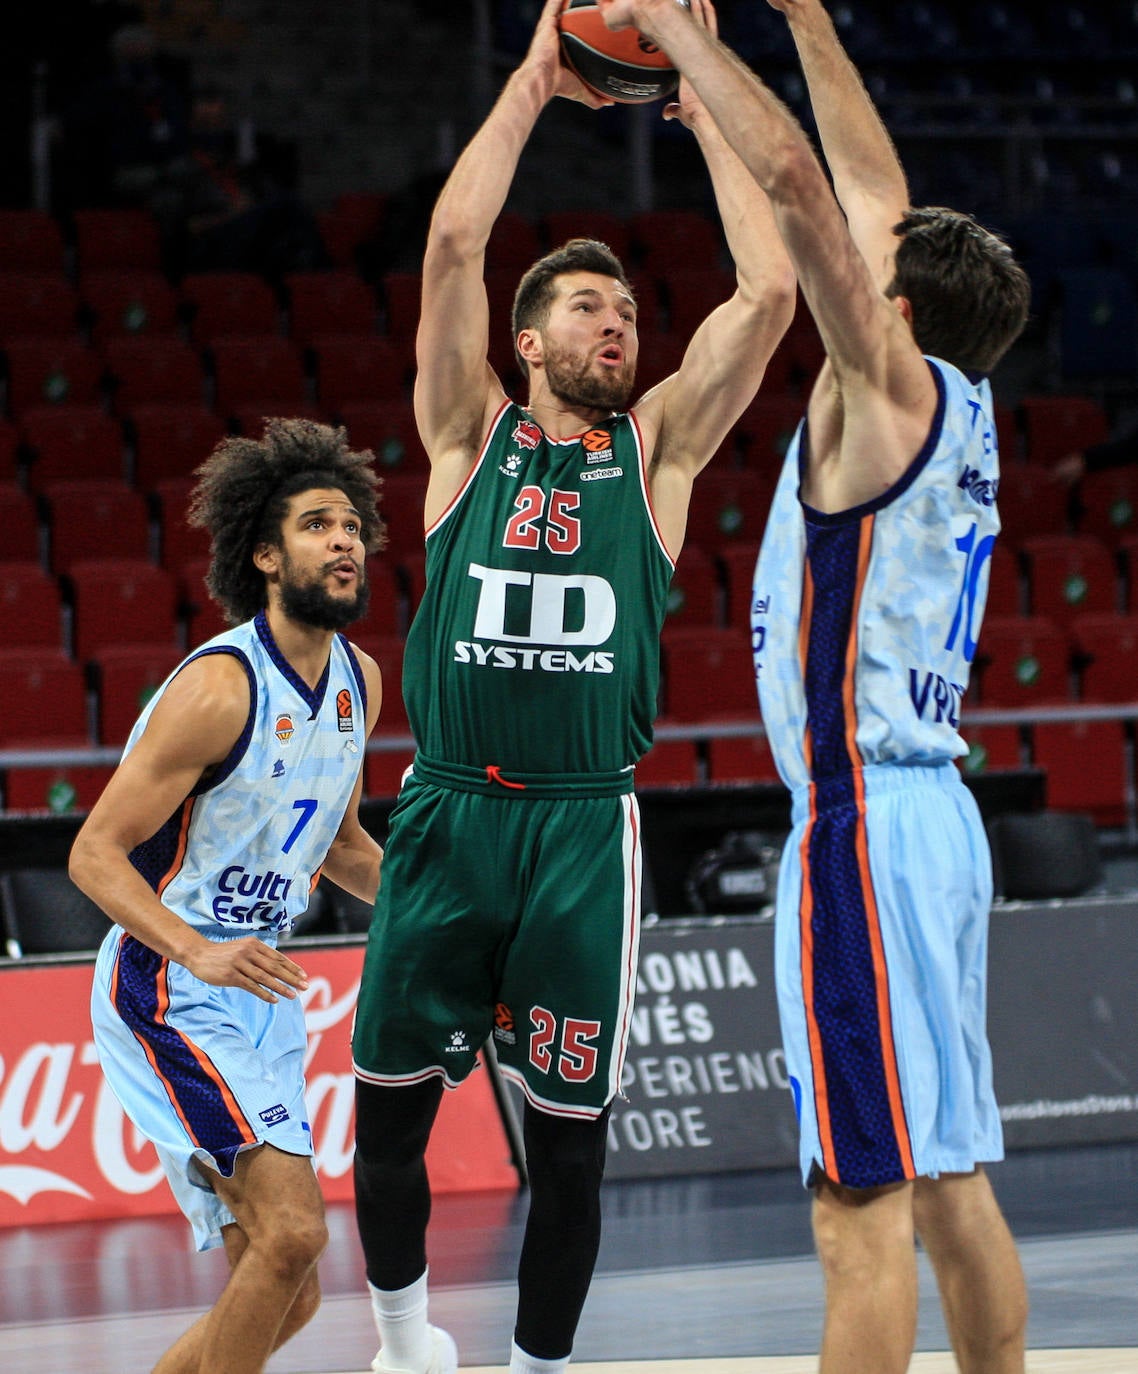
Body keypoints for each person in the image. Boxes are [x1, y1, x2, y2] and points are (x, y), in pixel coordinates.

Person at [349, 1, 796, 1371]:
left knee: (571, 1144)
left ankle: (540, 1366)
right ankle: (404, 1338)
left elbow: (769, 294)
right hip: (444, 815)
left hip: (577, 827)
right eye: (588, 309)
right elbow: (450, 244)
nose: (618, 324)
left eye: (626, 310)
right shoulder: (461, 432)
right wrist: (536, 76)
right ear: (528, 342)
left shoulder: (651, 455)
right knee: (390, 1120)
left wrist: (712, 115)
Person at [596, 2, 1032, 1372]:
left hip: (858, 830)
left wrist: (685, 34)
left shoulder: (883, 388)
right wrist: (799, 18)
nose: (858, 243)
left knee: (858, 1208)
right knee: (951, 1177)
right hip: (935, 823)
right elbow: (865, 187)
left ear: (891, 307)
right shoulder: (958, 411)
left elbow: (806, 186)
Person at [70, 418, 387, 1374]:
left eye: (351, 525)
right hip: (168, 984)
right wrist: (196, 948)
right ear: (264, 553)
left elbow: (339, 847)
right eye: (317, 525)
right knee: (294, 1233)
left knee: (288, 1290)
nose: (344, 541)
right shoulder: (218, 686)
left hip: (261, 992)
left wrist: (437, 916)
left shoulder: (359, 683)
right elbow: (94, 853)